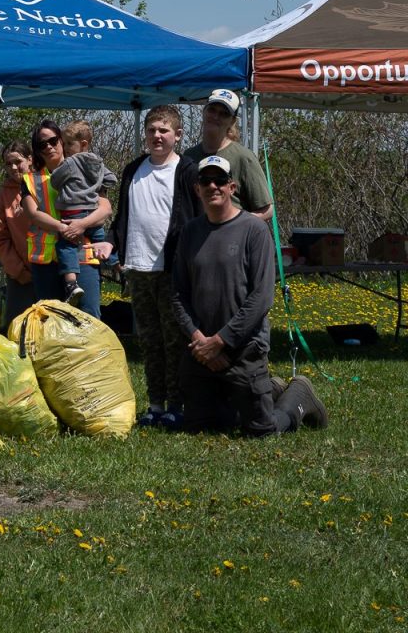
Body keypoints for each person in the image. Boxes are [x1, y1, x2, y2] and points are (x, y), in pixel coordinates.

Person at [170, 155, 327, 435]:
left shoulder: (254, 230)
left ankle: (299, 396)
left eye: (220, 180)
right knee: (199, 427)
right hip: (200, 350)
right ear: (197, 189)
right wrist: (201, 341)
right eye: (206, 181)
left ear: (232, 187)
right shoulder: (190, 232)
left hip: (243, 348)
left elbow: (261, 297)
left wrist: (221, 341)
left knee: (260, 431)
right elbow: (178, 294)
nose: (213, 186)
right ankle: (269, 388)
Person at [113, 105, 202, 428]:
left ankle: (177, 405)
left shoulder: (188, 171)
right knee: (149, 340)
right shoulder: (133, 169)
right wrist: (115, 246)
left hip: (172, 271)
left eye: (164, 130)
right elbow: (122, 216)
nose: (157, 136)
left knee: (174, 340)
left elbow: (197, 218)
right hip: (138, 268)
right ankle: (154, 404)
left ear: (177, 135)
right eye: (152, 130)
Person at [19, 120, 107, 318]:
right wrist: (63, 228)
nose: (49, 146)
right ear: (37, 150)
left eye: (53, 140)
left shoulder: (86, 168)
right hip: (46, 261)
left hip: (82, 254)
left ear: (62, 140)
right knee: (50, 320)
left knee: (88, 316)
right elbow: (32, 213)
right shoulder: (30, 179)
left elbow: (106, 208)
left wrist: (81, 225)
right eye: (42, 144)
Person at [43, 119, 118, 304]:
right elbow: (112, 179)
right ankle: (117, 264)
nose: (66, 148)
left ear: (83, 144)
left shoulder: (69, 163)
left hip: (73, 213)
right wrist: (95, 186)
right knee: (102, 241)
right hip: (93, 213)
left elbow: (55, 181)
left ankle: (71, 283)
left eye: (69, 143)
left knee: (66, 246)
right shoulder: (97, 161)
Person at [185, 89, 273, 222]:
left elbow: (267, 210)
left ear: (232, 121)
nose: (215, 116)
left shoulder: (243, 157)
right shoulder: (189, 156)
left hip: (233, 241)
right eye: (212, 110)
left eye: (224, 114)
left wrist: (233, 225)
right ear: (204, 111)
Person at [0, 141, 36, 330]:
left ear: (30, 159)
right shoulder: (3, 196)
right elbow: (0, 237)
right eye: (8, 164)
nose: (14, 167)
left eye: (18, 161)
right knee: (16, 328)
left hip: (50, 269)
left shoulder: (46, 183)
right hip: (20, 274)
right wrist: (18, 270)